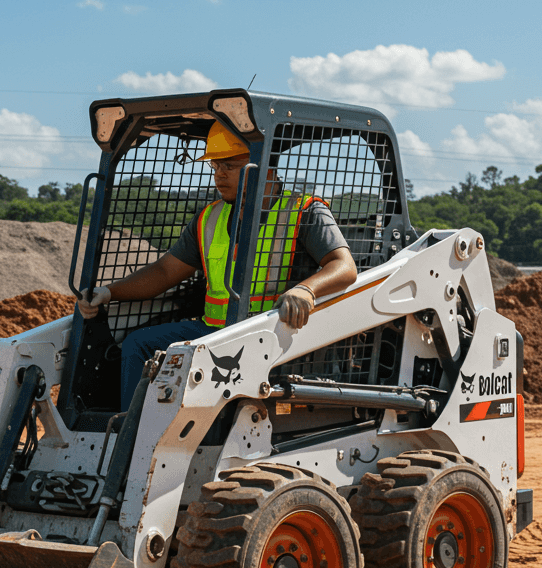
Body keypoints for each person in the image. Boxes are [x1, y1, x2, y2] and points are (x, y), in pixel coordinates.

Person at [77, 122, 359, 410]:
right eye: (215, 166)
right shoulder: (209, 218)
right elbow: (164, 272)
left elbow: (344, 266)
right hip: (212, 331)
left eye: (231, 166)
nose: (219, 175)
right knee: (139, 344)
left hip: (270, 337)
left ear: (265, 169)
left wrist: (306, 290)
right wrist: (109, 293)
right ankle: (131, 432)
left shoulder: (304, 211)